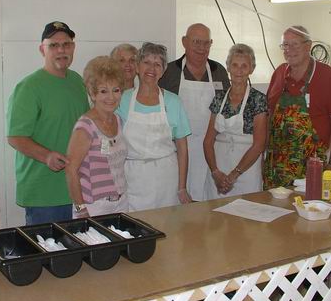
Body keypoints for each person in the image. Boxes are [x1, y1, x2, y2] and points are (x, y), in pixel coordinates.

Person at [6, 21, 89, 225]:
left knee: (75, 252)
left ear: (73, 47)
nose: (61, 50)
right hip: (44, 193)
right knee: (47, 253)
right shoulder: (29, 87)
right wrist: (47, 156)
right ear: (42, 49)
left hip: (76, 188)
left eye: (66, 44)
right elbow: (15, 137)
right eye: (53, 45)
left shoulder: (77, 81)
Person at [263, 25, 331, 189]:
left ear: (308, 46)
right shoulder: (279, 73)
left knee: (306, 210)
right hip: (276, 168)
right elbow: (269, 117)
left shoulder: (327, 76)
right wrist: (263, 156)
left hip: (311, 168)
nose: (289, 49)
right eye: (285, 45)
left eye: (295, 44)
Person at [117, 42, 193, 211]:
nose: (151, 68)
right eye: (146, 62)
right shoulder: (122, 100)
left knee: (168, 228)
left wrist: (182, 187)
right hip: (132, 177)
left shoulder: (173, 102)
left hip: (166, 178)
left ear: (163, 70)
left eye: (157, 64)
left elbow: (182, 148)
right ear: (137, 67)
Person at [159, 23, 230, 201]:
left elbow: (226, 110)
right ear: (184, 42)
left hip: (211, 150)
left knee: (207, 204)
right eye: (196, 42)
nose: (201, 48)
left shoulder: (219, 71)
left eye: (206, 43)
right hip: (177, 150)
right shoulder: (169, 72)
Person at [66, 56, 128, 218]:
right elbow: (71, 169)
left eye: (116, 90)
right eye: (103, 91)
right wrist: (81, 209)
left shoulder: (119, 121)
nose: (111, 97)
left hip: (121, 202)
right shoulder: (85, 126)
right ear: (93, 94)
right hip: (93, 206)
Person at [203, 44, 268, 199]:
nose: (239, 70)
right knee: (216, 218)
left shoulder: (258, 100)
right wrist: (215, 172)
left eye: (244, 66)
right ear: (228, 67)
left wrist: (234, 174)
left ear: (251, 69)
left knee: (246, 217)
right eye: (235, 65)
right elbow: (208, 141)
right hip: (218, 169)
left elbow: (259, 145)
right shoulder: (219, 99)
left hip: (247, 171)